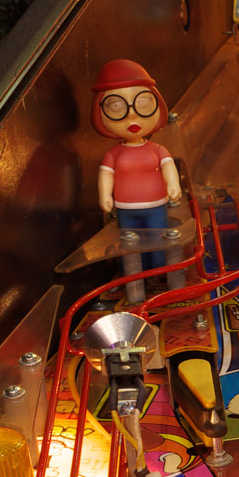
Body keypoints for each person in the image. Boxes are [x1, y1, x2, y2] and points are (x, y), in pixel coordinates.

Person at [93, 59, 181, 303]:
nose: (132, 115)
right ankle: (136, 282)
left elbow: (169, 167)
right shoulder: (113, 154)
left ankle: (158, 276)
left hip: (156, 206)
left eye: (143, 104)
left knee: (159, 244)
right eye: (116, 106)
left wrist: (173, 185)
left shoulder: (157, 149)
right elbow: (106, 175)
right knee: (131, 249)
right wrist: (105, 196)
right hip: (126, 209)